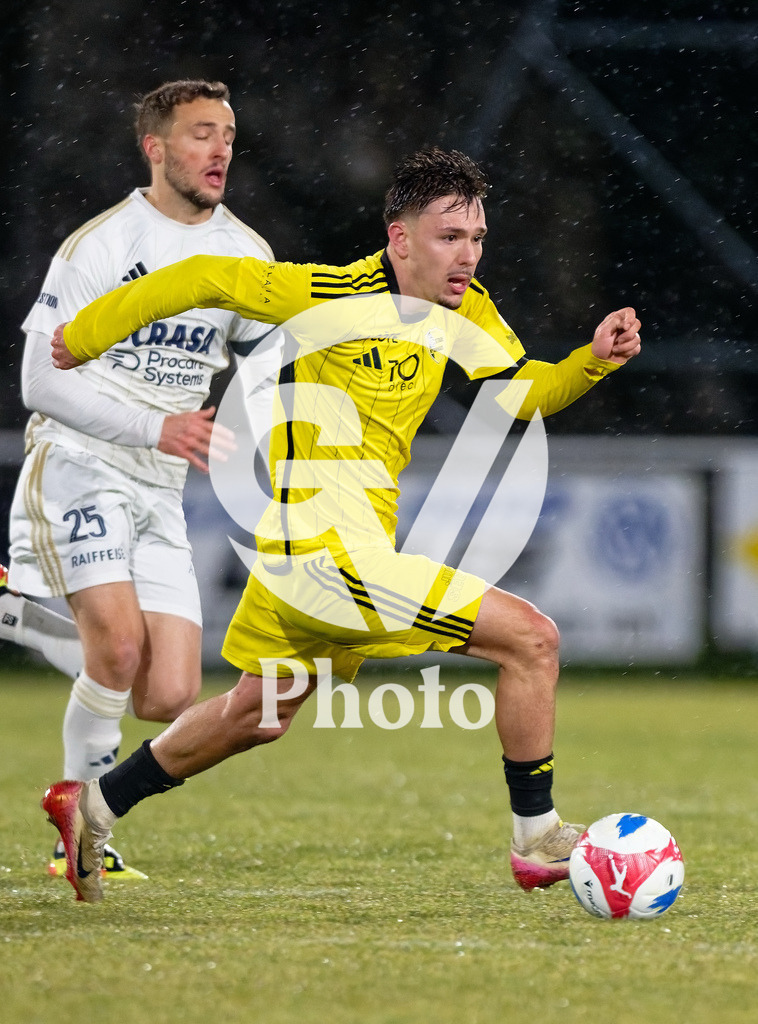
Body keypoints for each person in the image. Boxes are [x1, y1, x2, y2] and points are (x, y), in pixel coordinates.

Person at [42, 146, 641, 904]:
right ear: (400, 239)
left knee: (258, 714)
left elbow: (520, 394)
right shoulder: (327, 295)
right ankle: (537, 836)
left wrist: (590, 361)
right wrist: (86, 335)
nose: (468, 255)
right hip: (323, 553)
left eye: (477, 238)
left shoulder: (468, 309)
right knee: (532, 640)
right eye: (449, 237)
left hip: (336, 550)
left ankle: (92, 806)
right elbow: (201, 278)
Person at [8, 79, 280, 880]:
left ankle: (16, 610)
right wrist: (153, 427)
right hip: (81, 459)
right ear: (154, 148)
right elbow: (38, 382)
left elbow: (269, 374)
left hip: (161, 484)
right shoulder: (99, 244)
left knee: (167, 693)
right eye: (201, 133)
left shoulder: (248, 256)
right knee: (119, 647)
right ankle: (80, 835)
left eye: (228, 134)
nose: (221, 148)